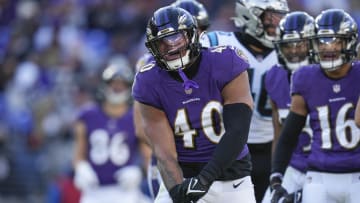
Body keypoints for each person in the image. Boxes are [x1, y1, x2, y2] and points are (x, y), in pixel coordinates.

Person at [133, 6, 256, 203]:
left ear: (193, 35)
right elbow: (164, 153)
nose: (171, 48)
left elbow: (238, 131)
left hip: (231, 177)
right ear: (153, 48)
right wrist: (177, 193)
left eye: (176, 38)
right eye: (162, 43)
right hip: (183, 176)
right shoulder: (148, 81)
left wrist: (204, 180)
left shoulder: (225, 61)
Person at [201, 0, 289, 202]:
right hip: (224, 146)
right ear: (249, 14)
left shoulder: (289, 50)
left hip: (272, 148)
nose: (277, 23)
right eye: (270, 16)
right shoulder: (215, 43)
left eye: (280, 16)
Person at [271, 9, 360, 203]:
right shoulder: (305, 77)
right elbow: (288, 135)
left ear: (350, 42)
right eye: (322, 41)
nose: (328, 48)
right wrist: (277, 176)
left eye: (335, 40)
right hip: (319, 176)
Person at [134, 0, 211, 200]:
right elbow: (141, 129)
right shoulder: (150, 69)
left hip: (211, 160)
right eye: (175, 36)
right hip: (171, 159)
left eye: (202, 29)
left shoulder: (214, 62)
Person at [73, 56, 150, 203]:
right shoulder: (88, 115)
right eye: (113, 84)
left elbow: (148, 158)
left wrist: (139, 172)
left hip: (126, 192)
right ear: (104, 85)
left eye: (122, 85)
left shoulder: (137, 116)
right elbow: (78, 154)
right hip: (93, 192)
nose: (117, 88)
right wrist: (80, 168)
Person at [262, 11, 315, 203]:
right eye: (288, 45)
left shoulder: (329, 76)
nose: (293, 51)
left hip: (326, 167)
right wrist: (276, 175)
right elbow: (279, 135)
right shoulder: (273, 77)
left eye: (299, 44)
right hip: (293, 166)